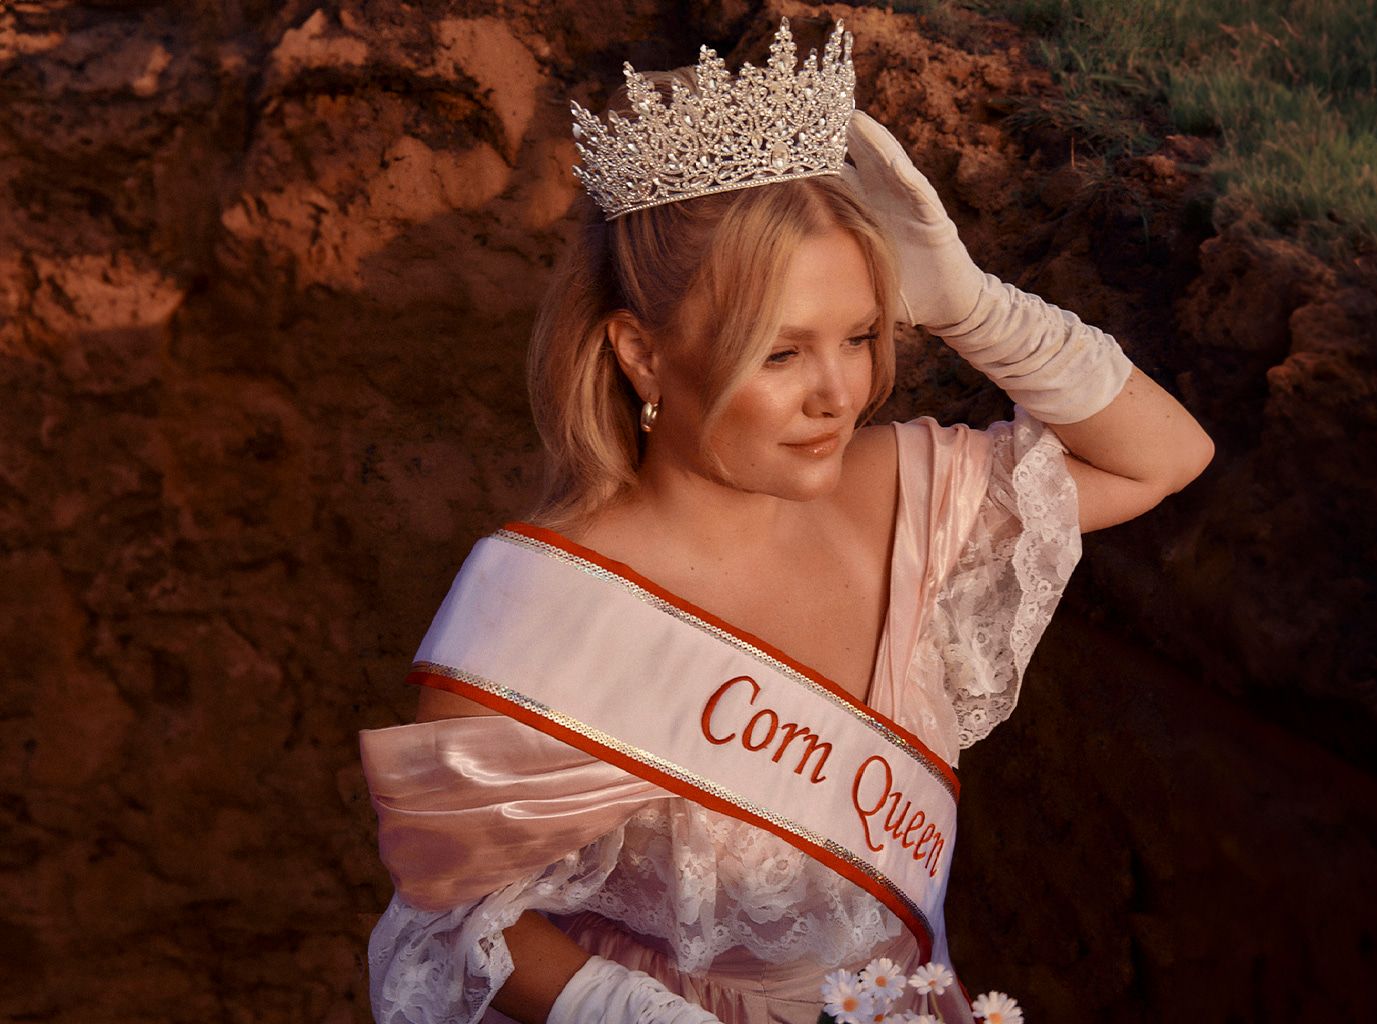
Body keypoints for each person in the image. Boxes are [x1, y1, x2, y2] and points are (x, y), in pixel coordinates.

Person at [360, 19, 1213, 1024]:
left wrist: (970, 305)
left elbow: (1165, 456)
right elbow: (452, 920)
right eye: (780, 353)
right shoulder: (543, 603)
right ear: (642, 354)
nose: (840, 395)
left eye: (859, 335)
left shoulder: (903, 495)